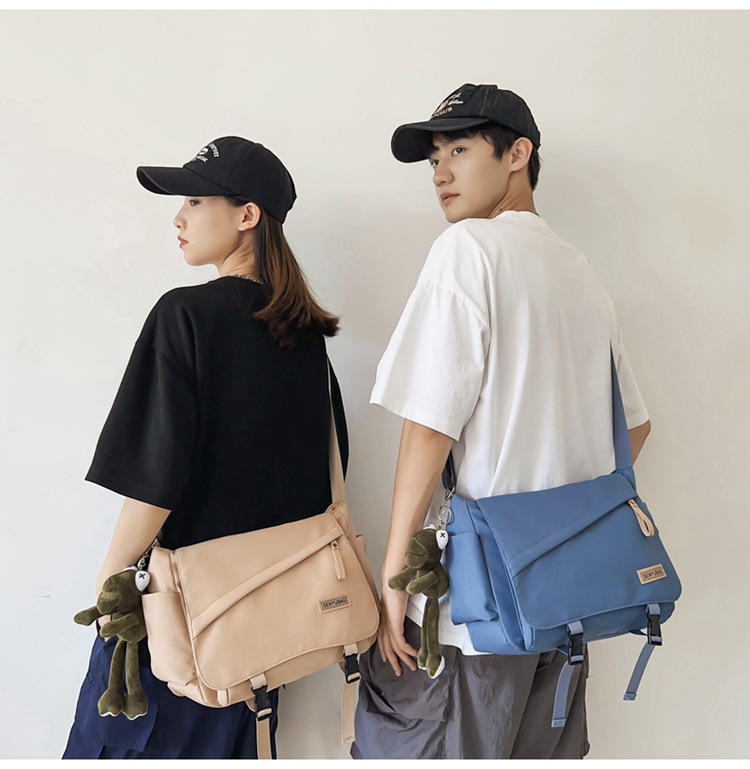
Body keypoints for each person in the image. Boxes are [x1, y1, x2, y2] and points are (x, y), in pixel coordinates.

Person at [351, 84, 652, 760]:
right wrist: (554, 522)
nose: (441, 172)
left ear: (518, 153)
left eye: (459, 150)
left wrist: (397, 576)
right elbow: (632, 430)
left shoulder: (468, 249)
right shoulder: (580, 272)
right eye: (434, 158)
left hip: (472, 615)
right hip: (563, 613)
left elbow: (429, 427)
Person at [63, 135, 348, 760]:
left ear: (247, 215)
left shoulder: (184, 315)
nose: (178, 218)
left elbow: (155, 478)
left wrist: (109, 579)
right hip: (264, 632)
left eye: (194, 200)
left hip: (176, 623)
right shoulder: (306, 339)